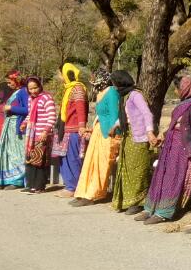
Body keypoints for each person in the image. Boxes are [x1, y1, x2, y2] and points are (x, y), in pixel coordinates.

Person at [138, 77, 191, 224]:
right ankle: (150, 208)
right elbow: (174, 124)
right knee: (161, 174)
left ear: (184, 89)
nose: (176, 92)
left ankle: (164, 211)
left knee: (172, 176)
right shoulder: (184, 104)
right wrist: (163, 136)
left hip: (181, 147)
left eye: (177, 89)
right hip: (170, 144)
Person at [71, 69, 118, 206]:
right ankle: (83, 192)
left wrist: (114, 133)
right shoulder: (100, 93)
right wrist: (92, 128)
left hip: (108, 134)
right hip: (98, 132)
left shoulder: (112, 92)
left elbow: (115, 115)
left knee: (101, 165)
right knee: (90, 163)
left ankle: (93, 194)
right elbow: (100, 116)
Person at [110, 71, 154, 214]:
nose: (114, 86)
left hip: (140, 138)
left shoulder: (136, 95)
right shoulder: (124, 96)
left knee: (138, 171)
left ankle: (138, 203)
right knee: (127, 169)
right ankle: (127, 201)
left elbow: (147, 113)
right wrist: (116, 125)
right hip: (128, 137)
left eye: (115, 83)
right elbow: (127, 116)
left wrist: (149, 132)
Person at [53, 63, 88, 198]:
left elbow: (80, 108)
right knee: (64, 158)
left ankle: (74, 186)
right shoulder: (68, 89)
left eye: (60, 73)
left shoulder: (77, 88)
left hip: (74, 130)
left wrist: (81, 126)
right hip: (65, 128)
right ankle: (69, 185)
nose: (58, 76)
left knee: (72, 158)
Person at [0, 73, 29, 189]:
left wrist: (10, 108)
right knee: (8, 152)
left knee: (16, 153)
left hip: (17, 126)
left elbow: (28, 109)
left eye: (10, 82)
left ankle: (17, 180)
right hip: (9, 126)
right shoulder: (15, 92)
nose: (8, 84)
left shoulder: (23, 92)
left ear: (16, 80)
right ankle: (7, 178)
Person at [21, 76, 56, 193]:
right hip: (32, 134)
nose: (33, 91)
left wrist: (46, 131)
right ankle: (30, 184)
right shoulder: (31, 99)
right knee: (31, 159)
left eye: (35, 88)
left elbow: (52, 117)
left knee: (40, 161)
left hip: (42, 134)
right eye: (30, 89)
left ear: (40, 86)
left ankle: (39, 186)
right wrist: (24, 123)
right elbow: (30, 114)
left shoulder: (46, 98)